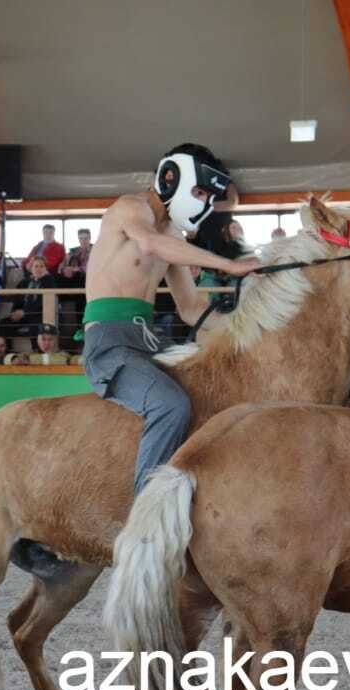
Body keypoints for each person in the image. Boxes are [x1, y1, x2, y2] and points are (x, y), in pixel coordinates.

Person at [80, 143, 259, 494]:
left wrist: (248, 329)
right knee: (170, 404)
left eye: (207, 195)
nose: (203, 201)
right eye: (199, 191)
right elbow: (149, 244)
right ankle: (146, 508)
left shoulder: (173, 237)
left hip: (149, 341)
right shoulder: (128, 209)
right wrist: (229, 265)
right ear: (172, 177)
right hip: (109, 342)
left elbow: (190, 307)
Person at [0, 256, 54, 339]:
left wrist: (25, 312)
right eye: (36, 266)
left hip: (39, 315)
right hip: (24, 315)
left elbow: (42, 304)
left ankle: (36, 351)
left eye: (42, 266)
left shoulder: (49, 281)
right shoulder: (24, 282)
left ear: (46, 269)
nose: (39, 269)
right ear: (31, 269)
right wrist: (14, 312)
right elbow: (17, 299)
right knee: (4, 323)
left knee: (35, 326)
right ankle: (8, 350)